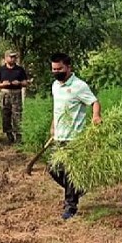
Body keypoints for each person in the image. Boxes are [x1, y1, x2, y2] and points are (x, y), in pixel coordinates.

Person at [49, 52, 102, 220]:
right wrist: (53, 126)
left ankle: (70, 206)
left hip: (74, 137)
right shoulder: (55, 86)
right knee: (54, 169)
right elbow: (57, 108)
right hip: (59, 136)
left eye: (59, 68)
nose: (56, 72)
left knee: (71, 173)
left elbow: (94, 102)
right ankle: (80, 188)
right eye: (54, 69)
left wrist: (96, 116)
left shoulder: (79, 86)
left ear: (68, 67)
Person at [0, 50, 28, 144]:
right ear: (5, 58)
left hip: (16, 93)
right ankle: (9, 136)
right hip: (5, 94)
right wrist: (2, 84)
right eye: (11, 57)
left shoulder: (20, 69)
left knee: (17, 115)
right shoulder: (1, 69)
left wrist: (19, 83)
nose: (13, 59)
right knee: (5, 115)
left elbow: (25, 83)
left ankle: (19, 137)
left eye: (14, 57)